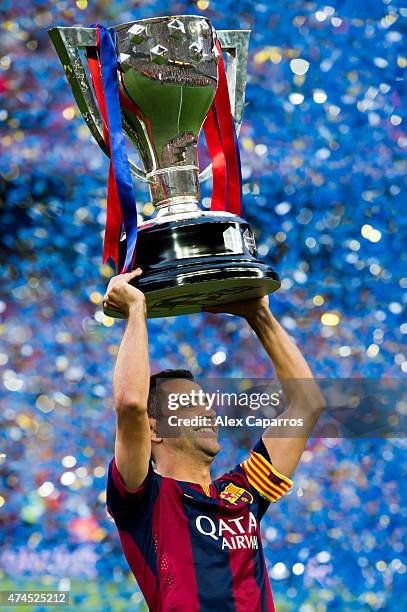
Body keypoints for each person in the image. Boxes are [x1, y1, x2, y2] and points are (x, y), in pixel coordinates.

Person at [103, 268, 325, 611]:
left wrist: (258, 314)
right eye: (187, 405)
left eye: (206, 403)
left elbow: (308, 404)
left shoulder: (243, 490)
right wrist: (136, 310)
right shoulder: (143, 498)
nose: (208, 413)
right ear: (153, 431)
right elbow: (131, 405)